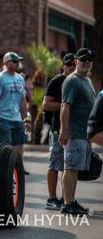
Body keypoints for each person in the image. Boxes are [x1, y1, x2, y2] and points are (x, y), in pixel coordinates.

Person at [59, 48, 96, 215]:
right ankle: (67, 203)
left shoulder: (86, 80)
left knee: (74, 169)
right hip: (74, 133)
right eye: (83, 59)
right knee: (70, 167)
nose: (86, 62)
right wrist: (64, 130)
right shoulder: (72, 80)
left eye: (89, 59)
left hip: (84, 134)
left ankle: (72, 201)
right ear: (75, 61)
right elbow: (65, 106)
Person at [42, 53, 76, 210]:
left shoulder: (77, 81)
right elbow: (45, 105)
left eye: (74, 64)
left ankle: (66, 199)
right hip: (57, 130)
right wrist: (65, 105)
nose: (72, 67)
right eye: (69, 64)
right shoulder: (57, 81)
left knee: (67, 166)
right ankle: (51, 198)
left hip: (74, 131)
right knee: (54, 165)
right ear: (63, 66)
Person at [0, 52, 28, 156]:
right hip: (4, 119)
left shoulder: (20, 78)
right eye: (15, 61)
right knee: (5, 149)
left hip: (17, 118)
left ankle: (17, 170)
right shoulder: (0, 78)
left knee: (19, 146)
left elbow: (22, 100)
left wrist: (26, 119)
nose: (18, 63)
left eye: (18, 61)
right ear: (7, 62)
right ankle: (6, 172)